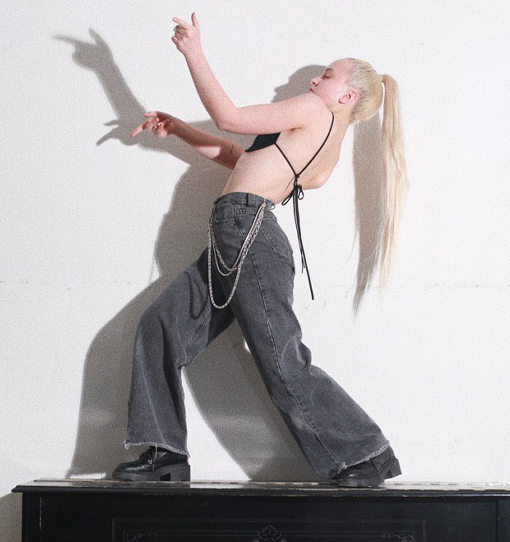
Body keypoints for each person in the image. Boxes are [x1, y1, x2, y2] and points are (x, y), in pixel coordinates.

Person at [112, 12, 409, 488]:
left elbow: (230, 119)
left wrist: (193, 53)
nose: (314, 81)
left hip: (247, 233)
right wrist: (181, 130)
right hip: (239, 237)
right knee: (161, 326)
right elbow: (240, 159)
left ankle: (364, 453)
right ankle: (164, 453)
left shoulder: (314, 111)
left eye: (327, 76)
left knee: (280, 358)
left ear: (348, 96)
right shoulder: (325, 147)